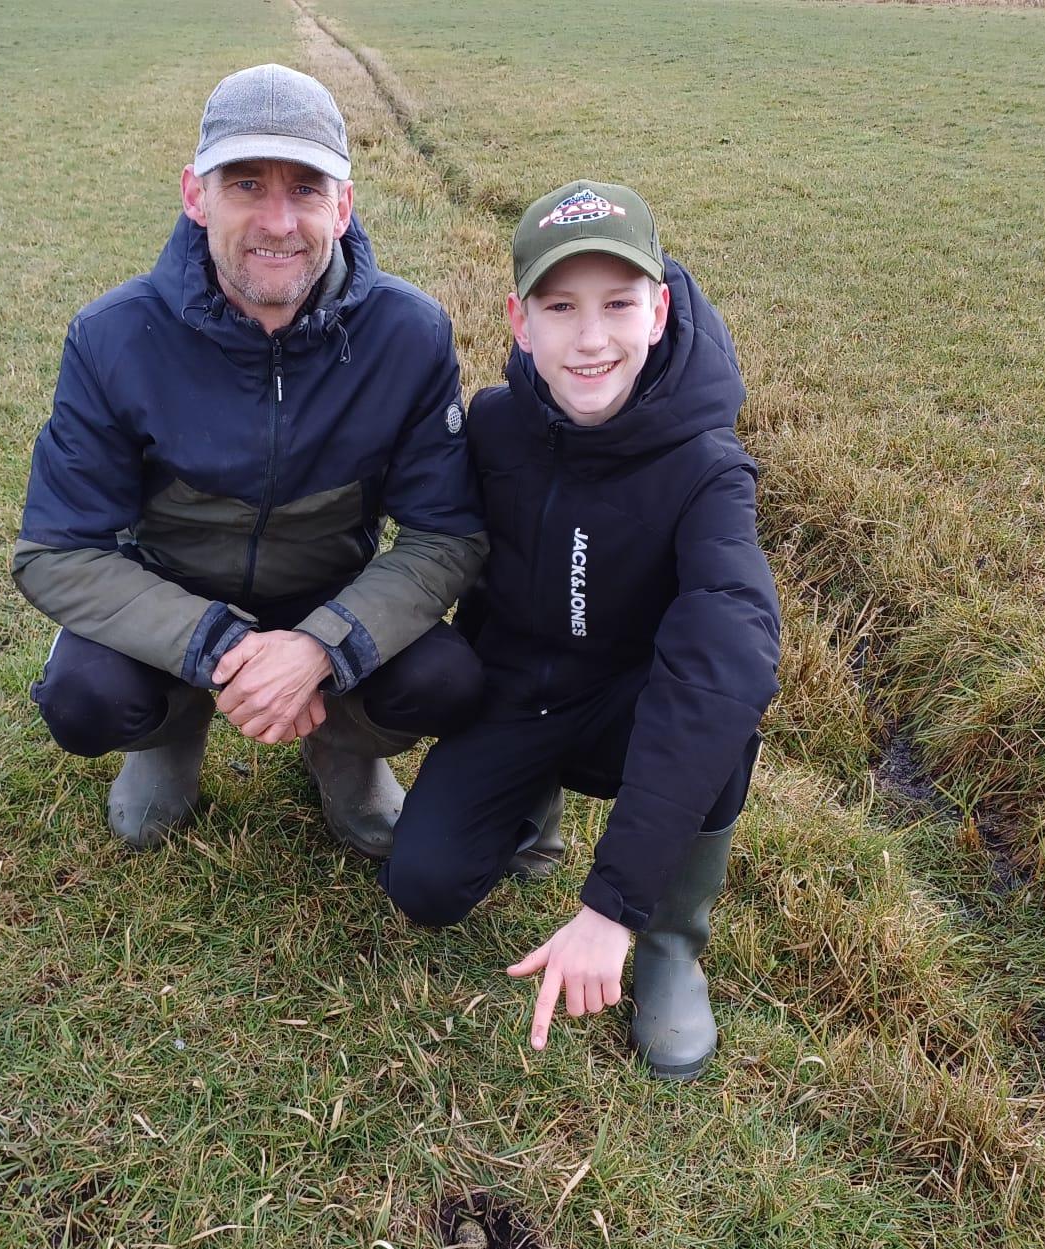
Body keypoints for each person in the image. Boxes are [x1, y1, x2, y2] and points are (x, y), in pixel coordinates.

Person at [12, 65, 488, 858]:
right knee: (83, 697)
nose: (277, 220)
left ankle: (342, 745)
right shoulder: (112, 337)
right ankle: (173, 726)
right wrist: (218, 651)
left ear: (343, 203)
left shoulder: (410, 335)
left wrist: (320, 648)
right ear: (197, 196)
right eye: (245, 185)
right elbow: (55, 551)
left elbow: (448, 537)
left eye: (305, 188)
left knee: (448, 679)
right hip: (175, 600)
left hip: (329, 597)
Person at [379, 181, 780, 1079]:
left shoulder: (709, 468)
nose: (590, 338)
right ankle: (531, 807)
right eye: (561, 308)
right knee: (425, 886)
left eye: (617, 304)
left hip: (626, 711)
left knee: (721, 718)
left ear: (659, 308)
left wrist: (614, 906)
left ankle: (673, 944)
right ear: (520, 321)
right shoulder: (492, 425)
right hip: (516, 693)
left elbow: (729, 656)